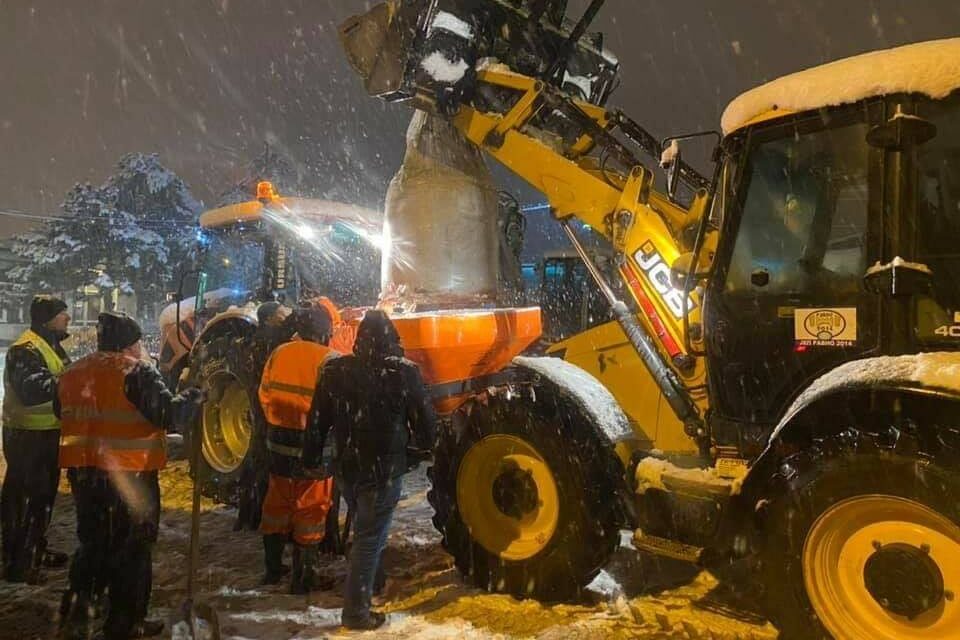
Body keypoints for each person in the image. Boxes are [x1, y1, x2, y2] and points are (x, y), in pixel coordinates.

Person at [56, 312, 202, 640]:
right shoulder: (134, 371)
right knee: (133, 550)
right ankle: (125, 623)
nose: (140, 348)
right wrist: (193, 397)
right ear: (127, 344)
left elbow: (58, 409)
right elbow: (168, 415)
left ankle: (78, 616)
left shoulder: (74, 371)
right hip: (128, 477)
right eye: (137, 342)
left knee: (94, 544)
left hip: (85, 474)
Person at [303, 310, 436, 630]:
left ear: (359, 340)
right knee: (369, 537)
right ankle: (356, 612)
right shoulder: (404, 373)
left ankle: (373, 582)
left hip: (348, 468)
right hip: (383, 470)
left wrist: (311, 457)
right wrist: (420, 449)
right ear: (393, 339)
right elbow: (425, 424)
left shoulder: (336, 370)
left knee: (366, 528)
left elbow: (317, 421)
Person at [258, 306, 338, 592]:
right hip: (312, 450)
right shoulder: (330, 360)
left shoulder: (278, 353)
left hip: (278, 446)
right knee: (311, 509)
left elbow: (264, 395)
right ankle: (304, 577)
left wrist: (280, 424)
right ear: (324, 333)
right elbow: (336, 409)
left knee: (276, 505)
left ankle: (273, 568)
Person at [1, 294, 71, 583]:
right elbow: (32, 390)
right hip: (27, 436)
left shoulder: (51, 345)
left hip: (45, 434)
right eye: (62, 314)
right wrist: (71, 383)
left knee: (42, 498)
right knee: (25, 498)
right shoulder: (25, 349)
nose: (67, 318)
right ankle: (18, 562)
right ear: (47, 319)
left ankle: (34, 549)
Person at [234, 301, 294, 532]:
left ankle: (246, 513)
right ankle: (261, 514)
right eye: (281, 312)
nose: (284, 315)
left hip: (257, 404)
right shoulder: (275, 339)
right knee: (267, 464)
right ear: (269, 318)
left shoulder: (254, 340)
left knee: (255, 459)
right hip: (269, 407)